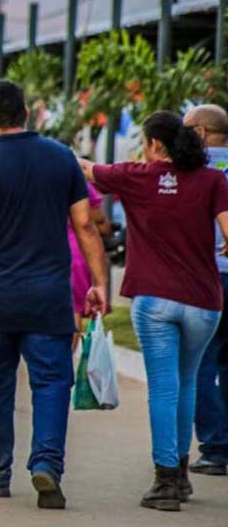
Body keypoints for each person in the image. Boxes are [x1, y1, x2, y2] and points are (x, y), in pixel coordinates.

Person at [0, 81, 107, 510]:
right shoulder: (60, 159)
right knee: (51, 381)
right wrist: (99, 282)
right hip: (49, 294)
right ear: (27, 115)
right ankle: (47, 463)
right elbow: (86, 226)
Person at [80, 110, 228, 511]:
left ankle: (166, 482)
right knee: (188, 381)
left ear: (154, 144)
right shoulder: (213, 180)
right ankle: (180, 475)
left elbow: (89, 170)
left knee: (164, 386)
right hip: (204, 302)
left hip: (154, 302)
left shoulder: (136, 176)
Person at [184, 104, 228, 477]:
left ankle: (215, 448)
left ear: (199, 133)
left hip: (207, 277)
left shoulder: (193, 173)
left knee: (201, 361)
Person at [68, 180, 111, 350]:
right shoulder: (78, 182)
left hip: (47, 251)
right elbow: (95, 219)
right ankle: (66, 361)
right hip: (79, 250)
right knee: (73, 310)